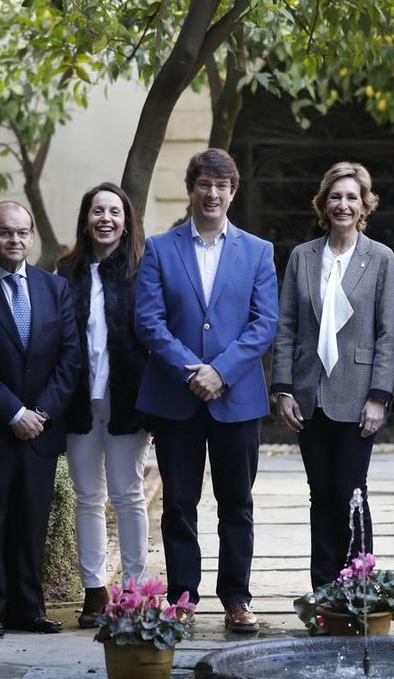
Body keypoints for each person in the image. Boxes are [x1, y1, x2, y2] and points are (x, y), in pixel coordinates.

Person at [134, 149, 278, 634]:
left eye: (222, 186)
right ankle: (182, 598)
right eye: (204, 185)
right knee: (178, 504)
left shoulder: (258, 251)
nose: (212, 194)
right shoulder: (159, 248)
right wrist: (190, 371)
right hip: (177, 399)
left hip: (235, 399)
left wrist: (221, 372)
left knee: (237, 502)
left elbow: (264, 324)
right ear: (190, 189)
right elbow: (149, 321)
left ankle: (237, 597)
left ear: (233, 192)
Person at [270, 162, 394, 588]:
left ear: (365, 205)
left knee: (351, 493)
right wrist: (282, 388)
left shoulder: (381, 259)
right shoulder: (303, 256)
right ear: (324, 204)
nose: (343, 204)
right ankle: (324, 589)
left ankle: (359, 586)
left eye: (352, 197)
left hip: (358, 392)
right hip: (309, 392)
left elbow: (387, 332)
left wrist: (380, 396)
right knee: (320, 493)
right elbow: (286, 326)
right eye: (335, 197)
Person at [0, 201, 80, 636]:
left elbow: (70, 358)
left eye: (22, 232)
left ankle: (28, 608)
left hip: (41, 429)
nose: (15, 240)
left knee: (32, 522)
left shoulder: (54, 288)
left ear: (32, 237)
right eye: (5, 233)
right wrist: (13, 411)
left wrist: (41, 412)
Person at [56, 183, 152, 629]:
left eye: (115, 211)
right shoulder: (66, 271)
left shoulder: (141, 270)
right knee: (87, 496)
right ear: (86, 218)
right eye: (98, 210)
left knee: (128, 495)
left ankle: (133, 590)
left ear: (126, 220)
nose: (106, 219)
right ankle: (94, 591)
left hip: (126, 399)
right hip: (78, 400)